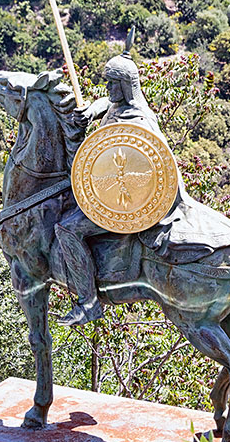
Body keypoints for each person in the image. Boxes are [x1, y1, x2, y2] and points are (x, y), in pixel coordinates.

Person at [55, 38, 169, 326]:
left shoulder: (139, 121)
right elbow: (107, 103)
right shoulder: (119, 106)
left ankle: (89, 302)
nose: (106, 89)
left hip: (130, 204)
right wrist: (92, 111)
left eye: (111, 84)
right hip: (114, 191)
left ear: (124, 86)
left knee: (67, 229)